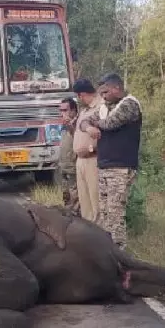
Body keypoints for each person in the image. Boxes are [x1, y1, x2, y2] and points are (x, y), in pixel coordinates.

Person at [79, 73, 143, 250]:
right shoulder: (105, 107)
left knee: (115, 212)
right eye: (101, 93)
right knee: (105, 211)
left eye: (106, 92)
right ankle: (107, 248)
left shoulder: (130, 104)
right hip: (105, 165)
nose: (103, 96)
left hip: (121, 166)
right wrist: (89, 127)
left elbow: (110, 124)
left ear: (117, 88)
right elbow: (83, 122)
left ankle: (119, 250)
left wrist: (95, 124)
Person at [72, 78, 104, 223]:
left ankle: (99, 236)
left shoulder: (101, 107)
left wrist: (91, 149)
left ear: (82, 94)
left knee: (96, 200)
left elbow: (107, 136)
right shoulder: (84, 110)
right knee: (85, 202)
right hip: (80, 160)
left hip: (93, 159)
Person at [57, 97, 80, 215]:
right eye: (60, 110)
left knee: (75, 196)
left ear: (73, 110)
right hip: (63, 166)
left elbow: (77, 136)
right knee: (66, 195)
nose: (62, 113)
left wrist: (70, 125)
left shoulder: (78, 122)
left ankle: (77, 220)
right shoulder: (64, 125)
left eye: (65, 110)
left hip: (73, 166)